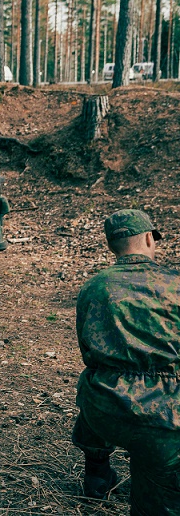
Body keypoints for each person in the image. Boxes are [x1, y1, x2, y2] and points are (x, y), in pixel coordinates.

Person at [73, 209, 180, 514]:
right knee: (159, 492)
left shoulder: (94, 287)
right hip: (163, 413)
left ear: (111, 246)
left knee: (96, 379)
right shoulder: (175, 283)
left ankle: (96, 473)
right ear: (149, 238)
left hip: (105, 410)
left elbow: (87, 347)